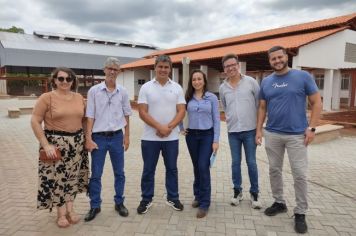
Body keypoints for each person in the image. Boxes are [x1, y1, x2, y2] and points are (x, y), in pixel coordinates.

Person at [256, 46, 322, 234]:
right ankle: (279, 202)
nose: (277, 61)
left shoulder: (303, 77)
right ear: (269, 61)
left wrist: (312, 128)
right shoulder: (266, 82)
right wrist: (259, 130)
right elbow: (262, 107)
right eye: (273, 59)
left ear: (286, 57)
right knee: (274, 170)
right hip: (273, 134)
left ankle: (300, 212)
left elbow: (317, 102)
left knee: (299, 174)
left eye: (279, 57)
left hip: (296, 136)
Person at [31, 67, 89, 228]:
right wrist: (45, 144)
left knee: (72, 178)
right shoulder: (46, 97)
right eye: (61, 78)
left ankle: (71, 210)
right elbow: (35, 121)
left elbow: (84, 120)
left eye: (68, 79)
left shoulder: (79, 97)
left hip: (77, 143)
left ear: (73, 81)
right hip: (55, 145)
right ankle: (61, 214)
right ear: (54, 80)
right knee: (58, 180)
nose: (65, 82)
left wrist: (86, 139)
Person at [84, 57, 132, 221]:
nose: (112, 71)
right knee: (96, 174)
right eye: (109, 68)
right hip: (99, 138)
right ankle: (95, 205)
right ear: (104, 70)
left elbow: (127, 115)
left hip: (117, 137)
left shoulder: (123, 92)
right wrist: (88, 138)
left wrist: (127, 136)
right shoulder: (94, 91)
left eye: (115, 69)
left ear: (118, 72)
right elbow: (89, 116)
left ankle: (119, 203)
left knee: (120, 173)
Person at [137, 55, 186, 214]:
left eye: (166, 67)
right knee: (148, 170)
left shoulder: (177, 87)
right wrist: (159, 126)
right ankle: (146, 199)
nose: (163, 70)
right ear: (155, 67)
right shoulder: (146, 87)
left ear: (170, 68)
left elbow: (181, 111)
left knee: (172, 169)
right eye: (160, 67)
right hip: (150, 138)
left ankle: (173, 197)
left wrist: (169, 128)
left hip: (171, 138)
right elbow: (142, 112)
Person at [219, 53, 262, 209]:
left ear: (238, 65)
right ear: (224, 69)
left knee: (251, 163)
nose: (230, 68)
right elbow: (224, 106)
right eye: (227, 66)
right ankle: (237, 191)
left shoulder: (251, 82)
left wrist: (259, 130)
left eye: (233, 65)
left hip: (250, 131)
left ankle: (255, 192)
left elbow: (260, 106)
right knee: (235, 163)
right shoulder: (223, 87)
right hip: (233, 132)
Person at [182, 69, 220, 218]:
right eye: (194, 80)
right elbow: (179, 112)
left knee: (203, 167)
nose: (197, 82)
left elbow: (217, 120)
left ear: (204, 80)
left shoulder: (211, 98)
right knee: (196, 167)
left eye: (199, 79)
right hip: (191, 136)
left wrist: (216, 140)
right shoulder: (188, 97)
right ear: (191, 82)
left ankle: (205, 202)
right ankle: (197, 195)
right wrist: (181, 128)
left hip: (207, 136)